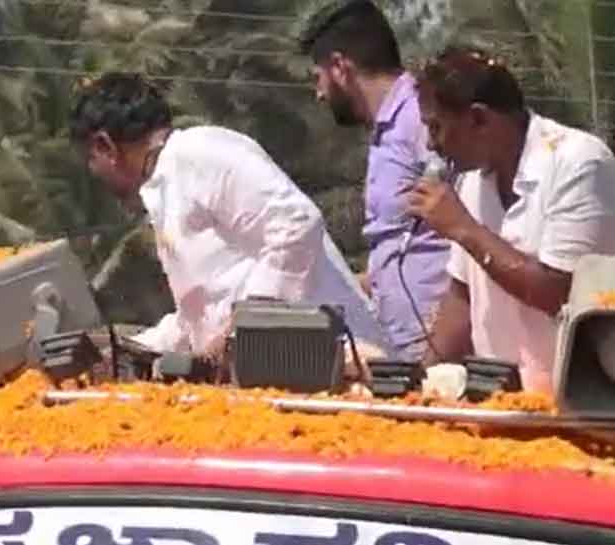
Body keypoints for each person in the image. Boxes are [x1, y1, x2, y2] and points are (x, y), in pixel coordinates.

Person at [69, 72, 387, 358]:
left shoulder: (199, 152)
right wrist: (130, 352)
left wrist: (244, 326)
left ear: (105, 146)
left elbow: (296, 225)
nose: (93, 173)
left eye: (90, 159)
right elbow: (200, 317)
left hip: (344, 364)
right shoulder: (166, 187)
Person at [408, 46, 615, 393]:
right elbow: (462, 297)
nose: (431, 144)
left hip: (580, 404)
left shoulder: (579, 163)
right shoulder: (473, 181)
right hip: (502, 400)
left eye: (437, 127)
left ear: (478, 119)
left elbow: (559, 294)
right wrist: (418, 382)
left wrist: (464, 229)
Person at [300, 0, 450, 362]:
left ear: (339, 68)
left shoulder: (420, 117)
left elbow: (464, 222)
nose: (318, 93)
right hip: (403, 348)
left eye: (317, 77)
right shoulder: (386, 132)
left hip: (443, 352)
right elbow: (403, 245)